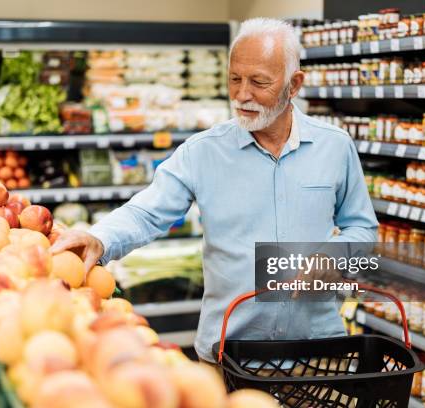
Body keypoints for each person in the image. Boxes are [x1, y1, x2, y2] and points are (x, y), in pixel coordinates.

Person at [51, 18, 378, 364]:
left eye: (259, 82)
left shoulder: (335, 147)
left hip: (319, 354)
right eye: (234, 79)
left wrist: (336, 253)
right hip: (232, 356)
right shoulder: (202, 151)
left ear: (294, 85)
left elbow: (363, 228)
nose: (242, 94)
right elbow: (147, 212)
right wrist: (99, 238)